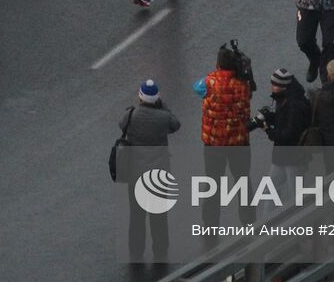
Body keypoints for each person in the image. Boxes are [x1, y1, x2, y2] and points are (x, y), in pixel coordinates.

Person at [119, 79, 180, 260]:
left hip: (135, 175)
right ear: (157, 98)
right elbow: (175, 125)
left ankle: (136, 251)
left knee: (136, 216)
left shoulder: (131, 115)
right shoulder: (164, 118)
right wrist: (164, 106)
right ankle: (160, 250)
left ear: (140, 96)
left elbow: (121, 124)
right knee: (159, 217)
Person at [194, 43, 254, 227]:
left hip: (214, 144)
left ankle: (210, 222)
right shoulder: (243, 85)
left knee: (213, 183)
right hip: (239, 143)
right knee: (243, 181)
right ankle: (248, 220)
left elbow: (197, 88)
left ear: (218, 64)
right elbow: (250, 93)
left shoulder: (208, 82)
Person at [250, 68, 312, 195]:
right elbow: (283, 120)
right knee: (268, 191)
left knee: (295, 193)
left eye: (274, 84)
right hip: (281, 156)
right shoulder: (283, 98)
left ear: (283, 86)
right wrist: (269, 117)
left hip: (294, 157)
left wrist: (268, 130)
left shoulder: (295, 104)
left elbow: (288, 134)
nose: (271, 86)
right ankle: (267, 216)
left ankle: (301, 214)